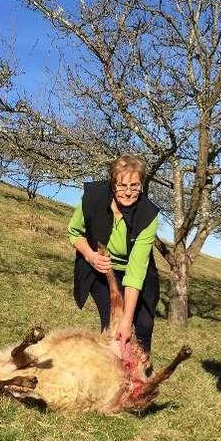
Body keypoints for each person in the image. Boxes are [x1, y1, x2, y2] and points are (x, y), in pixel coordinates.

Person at [68, 154, 160, 367]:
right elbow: (74, 232)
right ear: (112, 184)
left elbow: (136, 272)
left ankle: (140, 370)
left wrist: (128, 321)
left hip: (135, 272)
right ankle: (111, 369)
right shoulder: (93, 199)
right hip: (100, 268)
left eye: (135, 185)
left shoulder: (148, 215)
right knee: (111, 320)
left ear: (142, 185)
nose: (128, 192)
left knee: (143, 324)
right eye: (122, 185)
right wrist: (91, 257)